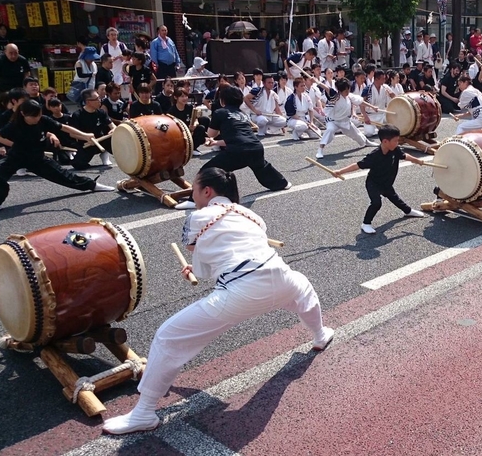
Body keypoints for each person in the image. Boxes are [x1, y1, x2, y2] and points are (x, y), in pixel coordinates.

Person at [102, 166, 333, 435]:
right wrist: (199, 268)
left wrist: (195, 269)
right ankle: (319, 335)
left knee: (168, 336)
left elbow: (200, 252)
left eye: (195, 190)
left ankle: (143, 413)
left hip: (243, 291)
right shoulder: (252, 215)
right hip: (281, 276)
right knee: (304, 289)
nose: (193, 195)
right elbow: (228, 252)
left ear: (207, 192)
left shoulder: (198, 216)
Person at [174, 86, 291, 211]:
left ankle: (193, 201)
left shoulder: (220, 112)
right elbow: (236, 137)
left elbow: (211, 134)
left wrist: (203, 133)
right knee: (261, 167)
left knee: (207, 171)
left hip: (238, 150)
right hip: (255, 147)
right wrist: (215, 144)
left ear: (222, 101)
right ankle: (282, 183)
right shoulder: (242, 114)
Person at [0, 99, 114, 212]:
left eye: (38, 115)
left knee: (65, 176)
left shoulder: (43, 120)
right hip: (16, 157)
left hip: (37, 159)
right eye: (33, 116)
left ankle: (93, 185)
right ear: (23, 114)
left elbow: (64, 128)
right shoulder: (15, 125)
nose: (37, 118)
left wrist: (84, 135)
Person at [332, 124, 425, 234]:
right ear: (385, 141)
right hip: (373, 183)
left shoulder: (395, 149)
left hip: (386, 183)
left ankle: (408, 211)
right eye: (395, 140)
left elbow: (405, 156)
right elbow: (358, 165)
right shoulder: (374, 156)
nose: (397, 143)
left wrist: (418, 161)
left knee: (395, 198)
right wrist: (340, 171)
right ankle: (366, 223)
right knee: (376, 203)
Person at [315, 78, 379, 159]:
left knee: (356, 134)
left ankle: (366, 142)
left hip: (345, 120)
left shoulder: (349, 96)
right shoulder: (335, 96)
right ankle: (320, 150)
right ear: (340, 90)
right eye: (345, 91)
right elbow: (327, 88)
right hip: (333, 120)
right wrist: (317, 82)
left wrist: (372, 107)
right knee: (330, 130)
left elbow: (360, 102)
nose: (348, 92)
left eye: (348, 90)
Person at [69, 88, 116, 169]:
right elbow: (72, 134)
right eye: (96, 99)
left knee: (119, 147)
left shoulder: (101, 112)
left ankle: (105, 153)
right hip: (87, 143)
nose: (100, 100)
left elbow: (113, 126)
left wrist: (113, 130)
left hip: (102, 140)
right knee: (78, 164)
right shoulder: (77, 115)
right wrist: (85, 137)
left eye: (99, 98)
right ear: (88, 102)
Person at [168, 88, 204, 155]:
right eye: (182, 96)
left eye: (186, 96)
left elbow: (196, 119)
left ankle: (193, 148)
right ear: (176, 97)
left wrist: (194, 125)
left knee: (201, 128)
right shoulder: (172, 111)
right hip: (178, 133)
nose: (185, 98)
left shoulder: (189, 107)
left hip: (190, 130)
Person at [360, 69, 394, 136]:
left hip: (382, 114)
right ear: (376, 79)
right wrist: (365, 116)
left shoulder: (386, 87)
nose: (384, 81)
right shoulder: (368, 89)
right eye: (382, 79)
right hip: (370, 115)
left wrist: (391, 94)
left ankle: (380, 129)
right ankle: (377, 129)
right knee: (369, 133)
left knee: (392, 129)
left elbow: (395, 97)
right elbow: (361, 103)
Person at [150, 26, 181, 93]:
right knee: (161, 82)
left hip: (171, 65)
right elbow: (153, 55)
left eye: (165, 30)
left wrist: (178, 62)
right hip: (161, 65)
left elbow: (175, 51)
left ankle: (174, 96)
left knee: (173, 81)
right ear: (159, 32)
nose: (164, 32)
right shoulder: (155, 42)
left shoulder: (170, 40)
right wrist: (156, 66)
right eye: (162, 30)